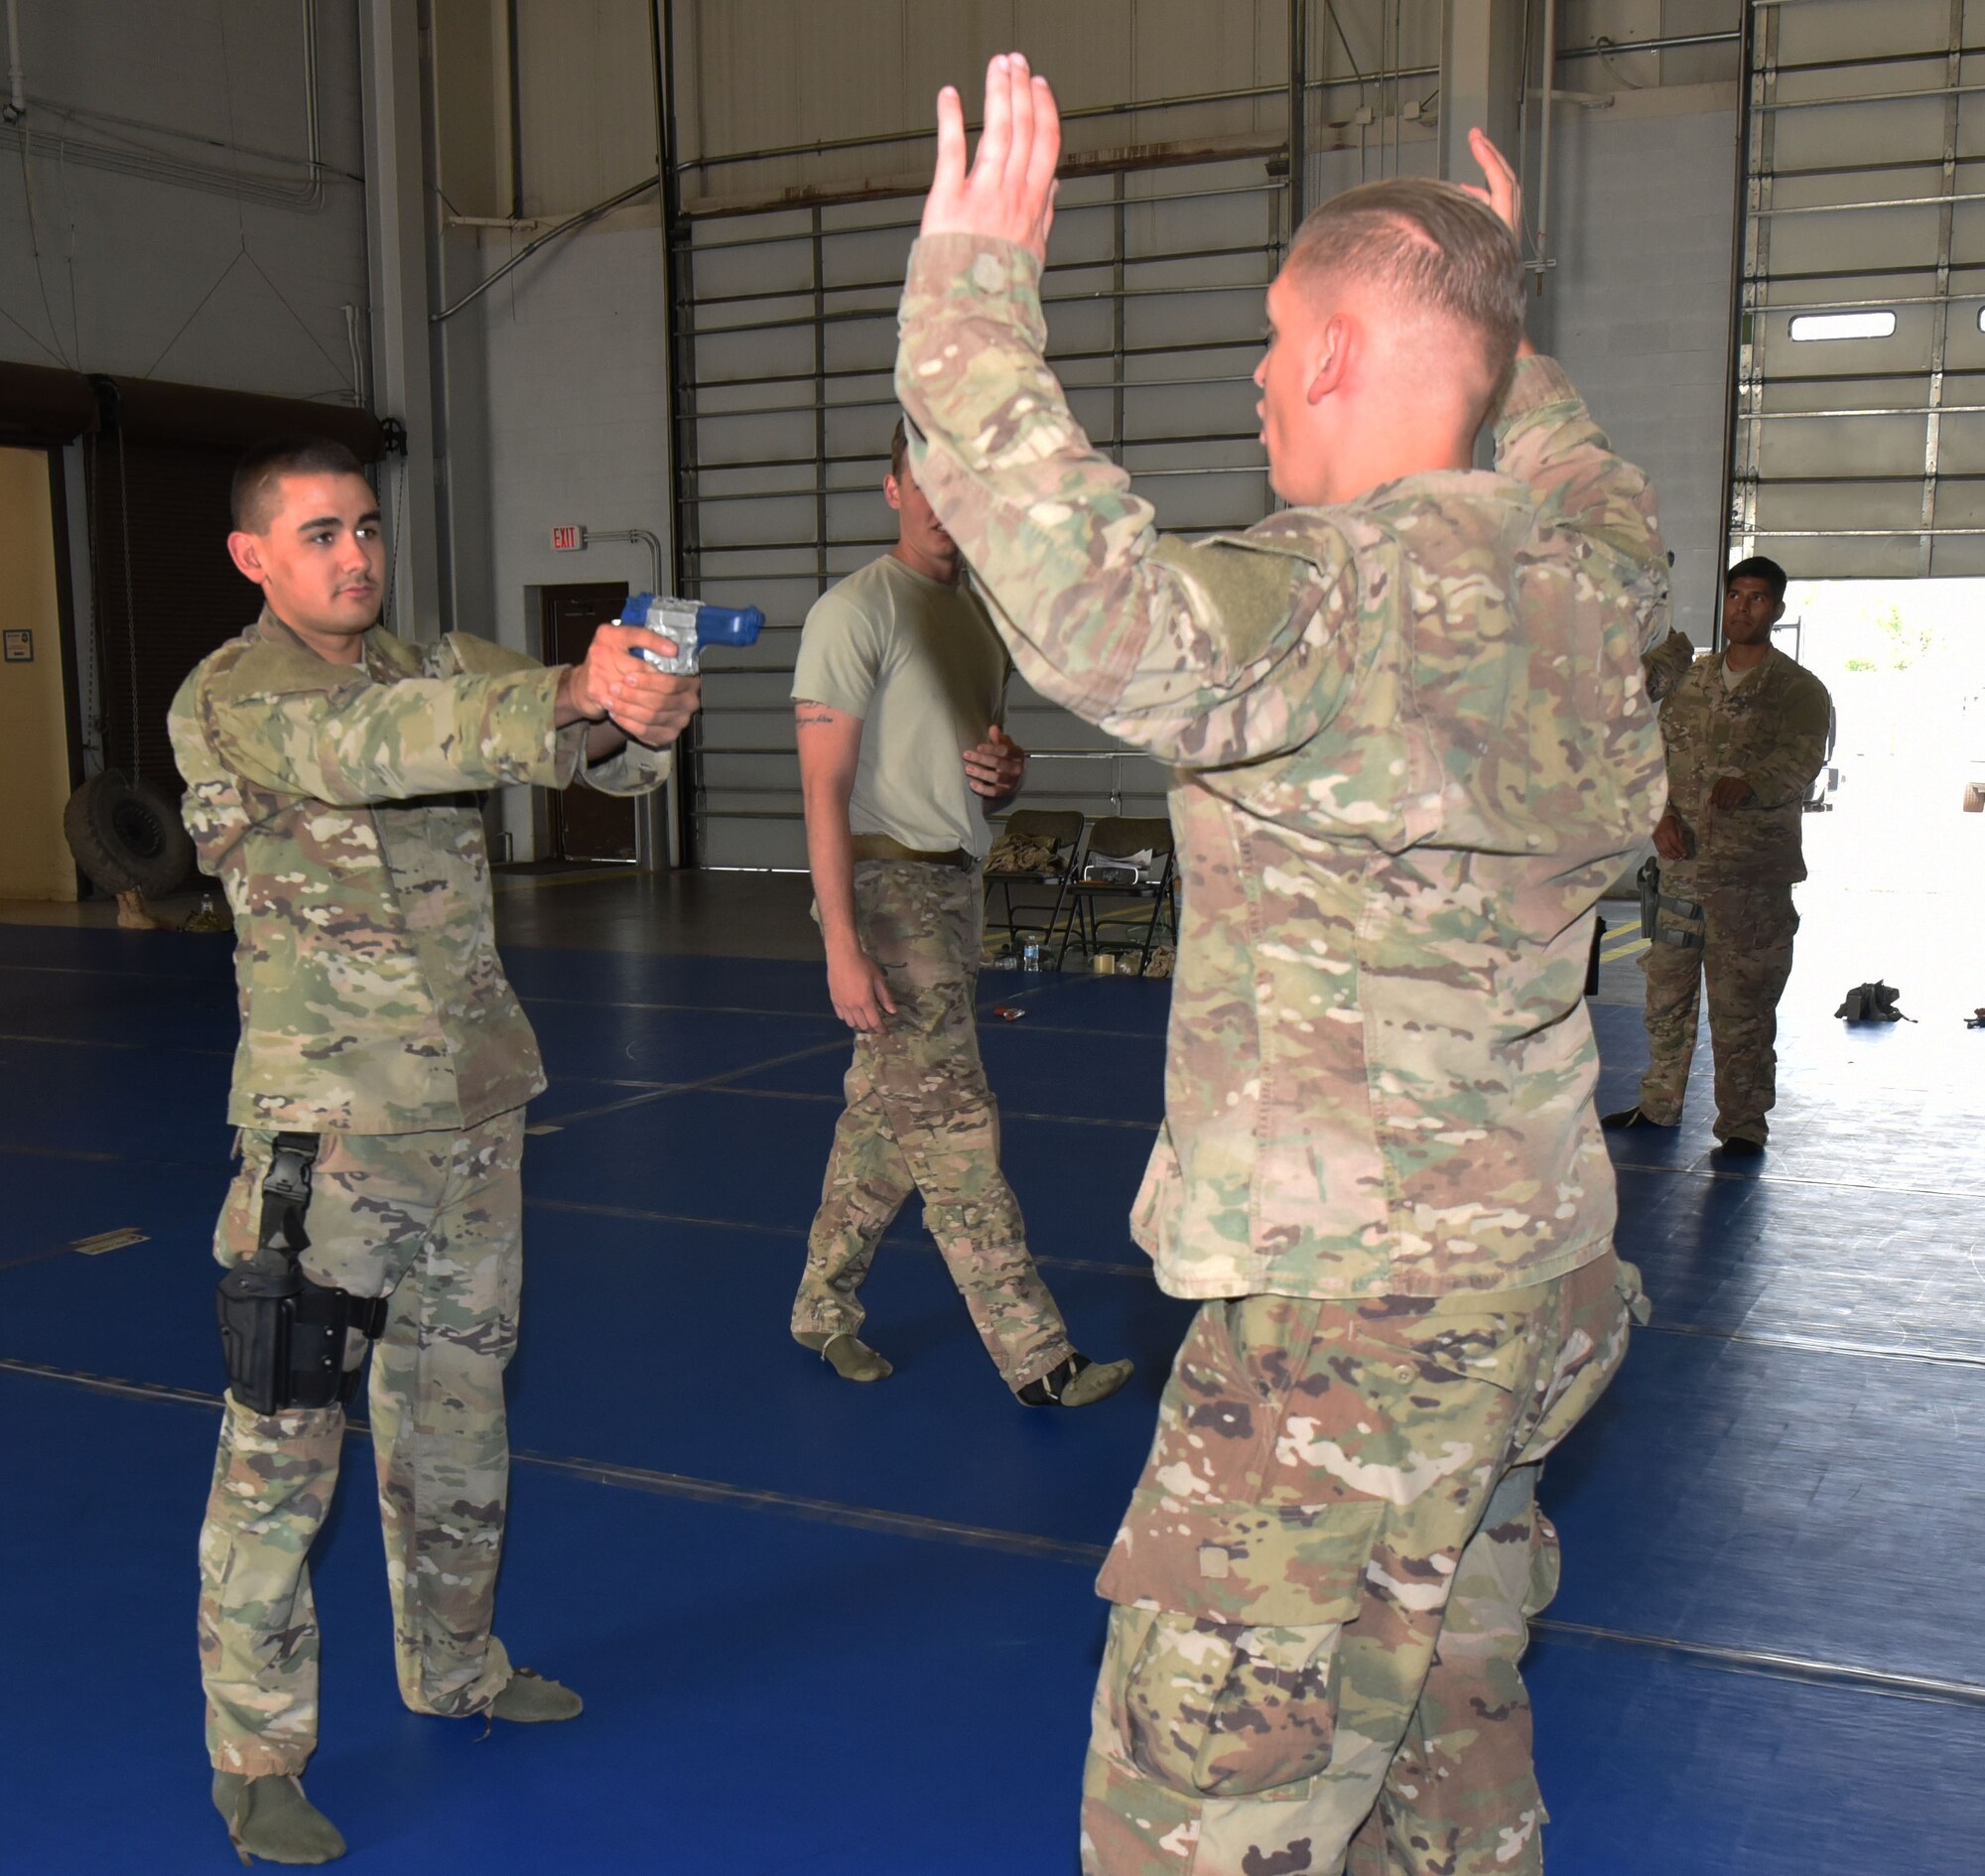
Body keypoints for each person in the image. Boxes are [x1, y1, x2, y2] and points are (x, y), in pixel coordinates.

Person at [894, 55, 1668, 1876]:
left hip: (1351, 1324)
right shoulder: (1594, 582)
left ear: (1330, 355)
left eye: (1267, 338)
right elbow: (1581, 470)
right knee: (1447, 1745)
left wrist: (969, 298)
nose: (1255, 376)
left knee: (1197, 1812)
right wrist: (1494, 303)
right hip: (1537, 1278)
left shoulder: (1337, 598)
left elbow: (1101, 609)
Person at [170, 436, 699, 1865]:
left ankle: (456, 1665)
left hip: (472, 1116)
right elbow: (384, 749)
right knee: (283, 1449)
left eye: (365, 527)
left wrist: (637, 709)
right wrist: (571, 689)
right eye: (320, 533)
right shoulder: (236, 695)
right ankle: (256, 1755)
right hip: (329, 1141)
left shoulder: (432, 667)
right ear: (254, 557)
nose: (355, 554)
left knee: (458, 1415)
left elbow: (575, 758)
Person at [788, 417, 1132, 1408]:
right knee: (954, 1128)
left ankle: (819, 1306)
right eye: (924, 480)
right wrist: (841, 943)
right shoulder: (854, 612)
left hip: (952, 888)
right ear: (892, 488)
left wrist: (1006, 775)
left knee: (884, 1122)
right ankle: (1037, 1358)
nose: (943, 503)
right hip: (885, 894)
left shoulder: (978, 620)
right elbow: (821, 789)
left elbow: (974, 768)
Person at [1604, 555, 1830, 1153]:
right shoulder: (1689, 679)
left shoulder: (1797, 691)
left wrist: (1753, 782)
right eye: (1735, 595)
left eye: (1757, 599)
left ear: (1777, 610)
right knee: (1666, 995)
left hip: (1749, 880)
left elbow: (1803, 760)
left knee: (1743, 1008)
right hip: (1680, 872)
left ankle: (1742, 1125)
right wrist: (1657, 818)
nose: (1743, 608)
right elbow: (1647, 756)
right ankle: (1658, 1105)